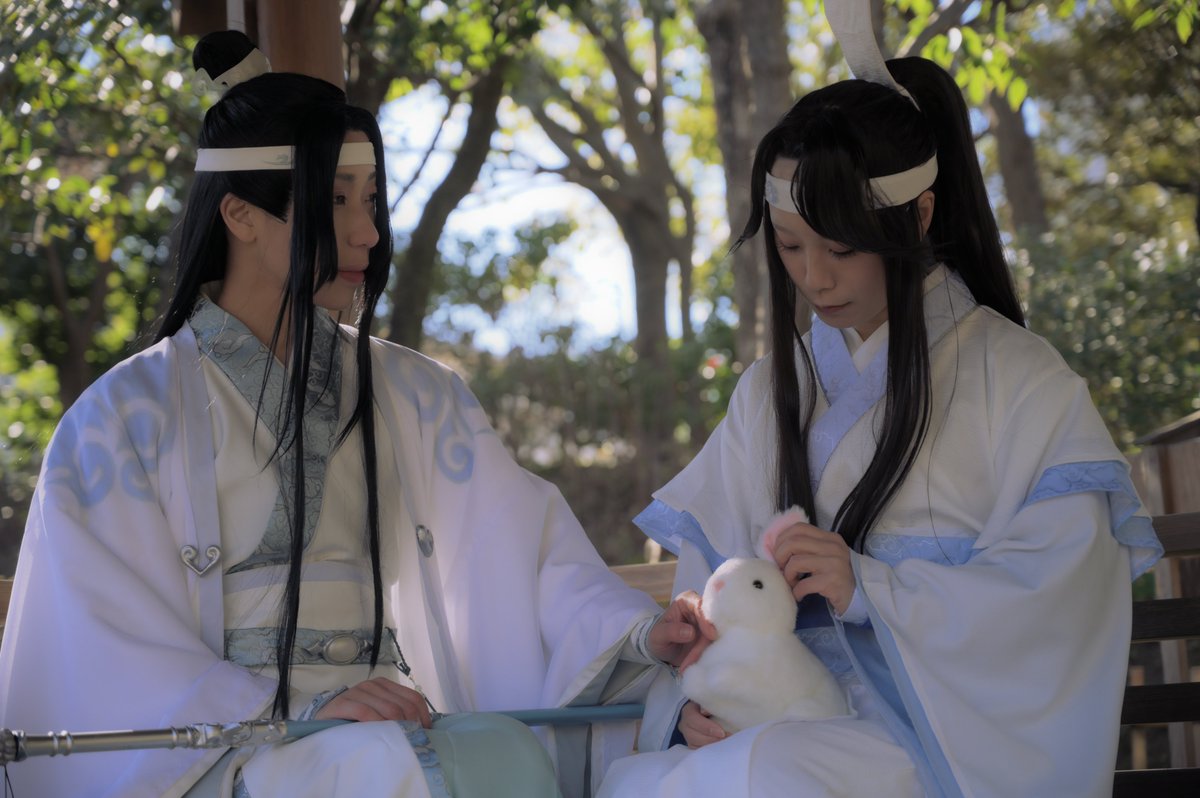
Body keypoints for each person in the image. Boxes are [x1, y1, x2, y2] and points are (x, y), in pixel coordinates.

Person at [0, 31, 702, 798]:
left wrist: (634, 634)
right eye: (336, 201)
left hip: (388, 719)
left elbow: (525, 555)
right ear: (240, 214)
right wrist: (287, 711)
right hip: (227, 754)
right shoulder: (121, 421)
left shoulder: (419, 395)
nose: (367, 232)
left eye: (370, 200)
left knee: (499, 757)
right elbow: (99, 639)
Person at [597, 47, 1164, 798]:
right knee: (639, 780)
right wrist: (700, 700)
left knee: (769, 775)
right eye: (790, 245)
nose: (814, 276)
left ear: (919, 214)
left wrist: (873, 589)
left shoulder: (1022, 380)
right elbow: (715, 590)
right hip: (778, 724)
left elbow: (1060, 603)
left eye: (841, 247)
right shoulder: (765, 392)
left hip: (934, 744)